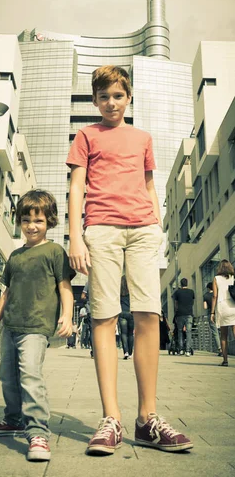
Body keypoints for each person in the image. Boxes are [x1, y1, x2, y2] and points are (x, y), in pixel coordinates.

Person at [66, 65, 193, 454]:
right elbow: (75, 187)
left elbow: (150, 183)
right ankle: (111, 419)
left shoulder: (143, 137)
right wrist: (75, 237)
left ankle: (147, 419)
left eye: (117, 95)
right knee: (104, 316)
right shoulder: (86, 135)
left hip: (142, 230)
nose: (111, 102)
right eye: (103, 96)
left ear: (129, 97)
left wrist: (157, 225)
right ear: (94, 100)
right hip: (101, 230)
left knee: (148, 314)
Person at [0, 189, 75, 462]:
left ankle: (38, 432)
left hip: (36, 327)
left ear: (49, 222)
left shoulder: (55, 251)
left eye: (38, 221)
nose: (31, 226)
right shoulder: (15, 256)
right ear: (19, 222)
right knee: (7, 377)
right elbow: (6, 292)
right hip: (10, 326)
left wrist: (67, 315)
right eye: (26, 220)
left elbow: (64, 285)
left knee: (30, 375)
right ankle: (13, 420)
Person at [211, 259, 235, 367]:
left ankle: (225, 361)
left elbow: (215, 296)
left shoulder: (216, 279)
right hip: (233, 306)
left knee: (223, 336)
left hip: (222, 307)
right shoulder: (233, 277)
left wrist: (212, 312)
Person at [174, 278, 194, 357]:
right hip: (189, 313)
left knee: (180, 331)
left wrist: (176, 312)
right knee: (188, 332)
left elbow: (176, 304)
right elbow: (192, 302)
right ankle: (188, 351)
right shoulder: (191, 292)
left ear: (180, 284)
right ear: (187, 283)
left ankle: (181, 349)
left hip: (180, 314)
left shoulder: (177, 292)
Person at [203, 282, 222, 356]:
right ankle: (225, 348)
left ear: (208, 288)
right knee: (223, 331)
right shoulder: (218, 294)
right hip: (220, 313)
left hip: (211, 314)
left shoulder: (205, 295)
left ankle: (220, 349)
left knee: (215, 332)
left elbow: (205, 307)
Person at [118, 275, 134, 359]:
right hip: (130, 313)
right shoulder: (131, 292)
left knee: (123, 333)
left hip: (121, 313)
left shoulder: (118, 292)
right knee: (130, 333)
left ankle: (126, 352)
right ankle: (131, 352)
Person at [81, 281, 93, 357]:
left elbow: (82, 296)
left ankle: (94, 351)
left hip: (91, 310)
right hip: (102, 310)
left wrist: (87, 301)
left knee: (92, 332)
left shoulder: (89, 283)